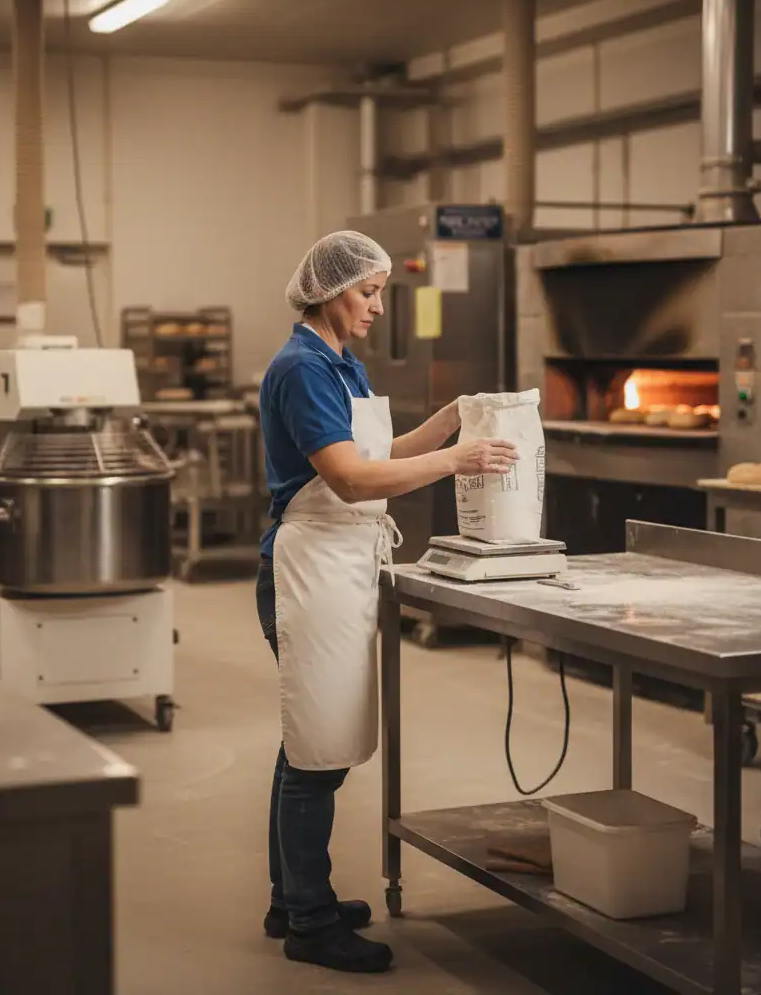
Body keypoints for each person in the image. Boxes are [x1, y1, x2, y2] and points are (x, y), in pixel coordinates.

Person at [256, 230, 518, 974]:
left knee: (311, 742)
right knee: (315, 754)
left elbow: (373, 453)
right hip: (308, 568)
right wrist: (457, 459)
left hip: (338, 566)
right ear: (330, 292)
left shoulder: (339, 362)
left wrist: (443, 425)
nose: (377, 307)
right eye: (369, 293)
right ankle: (309, 922)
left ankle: (292, 898)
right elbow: (350, 479)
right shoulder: (304, 367)